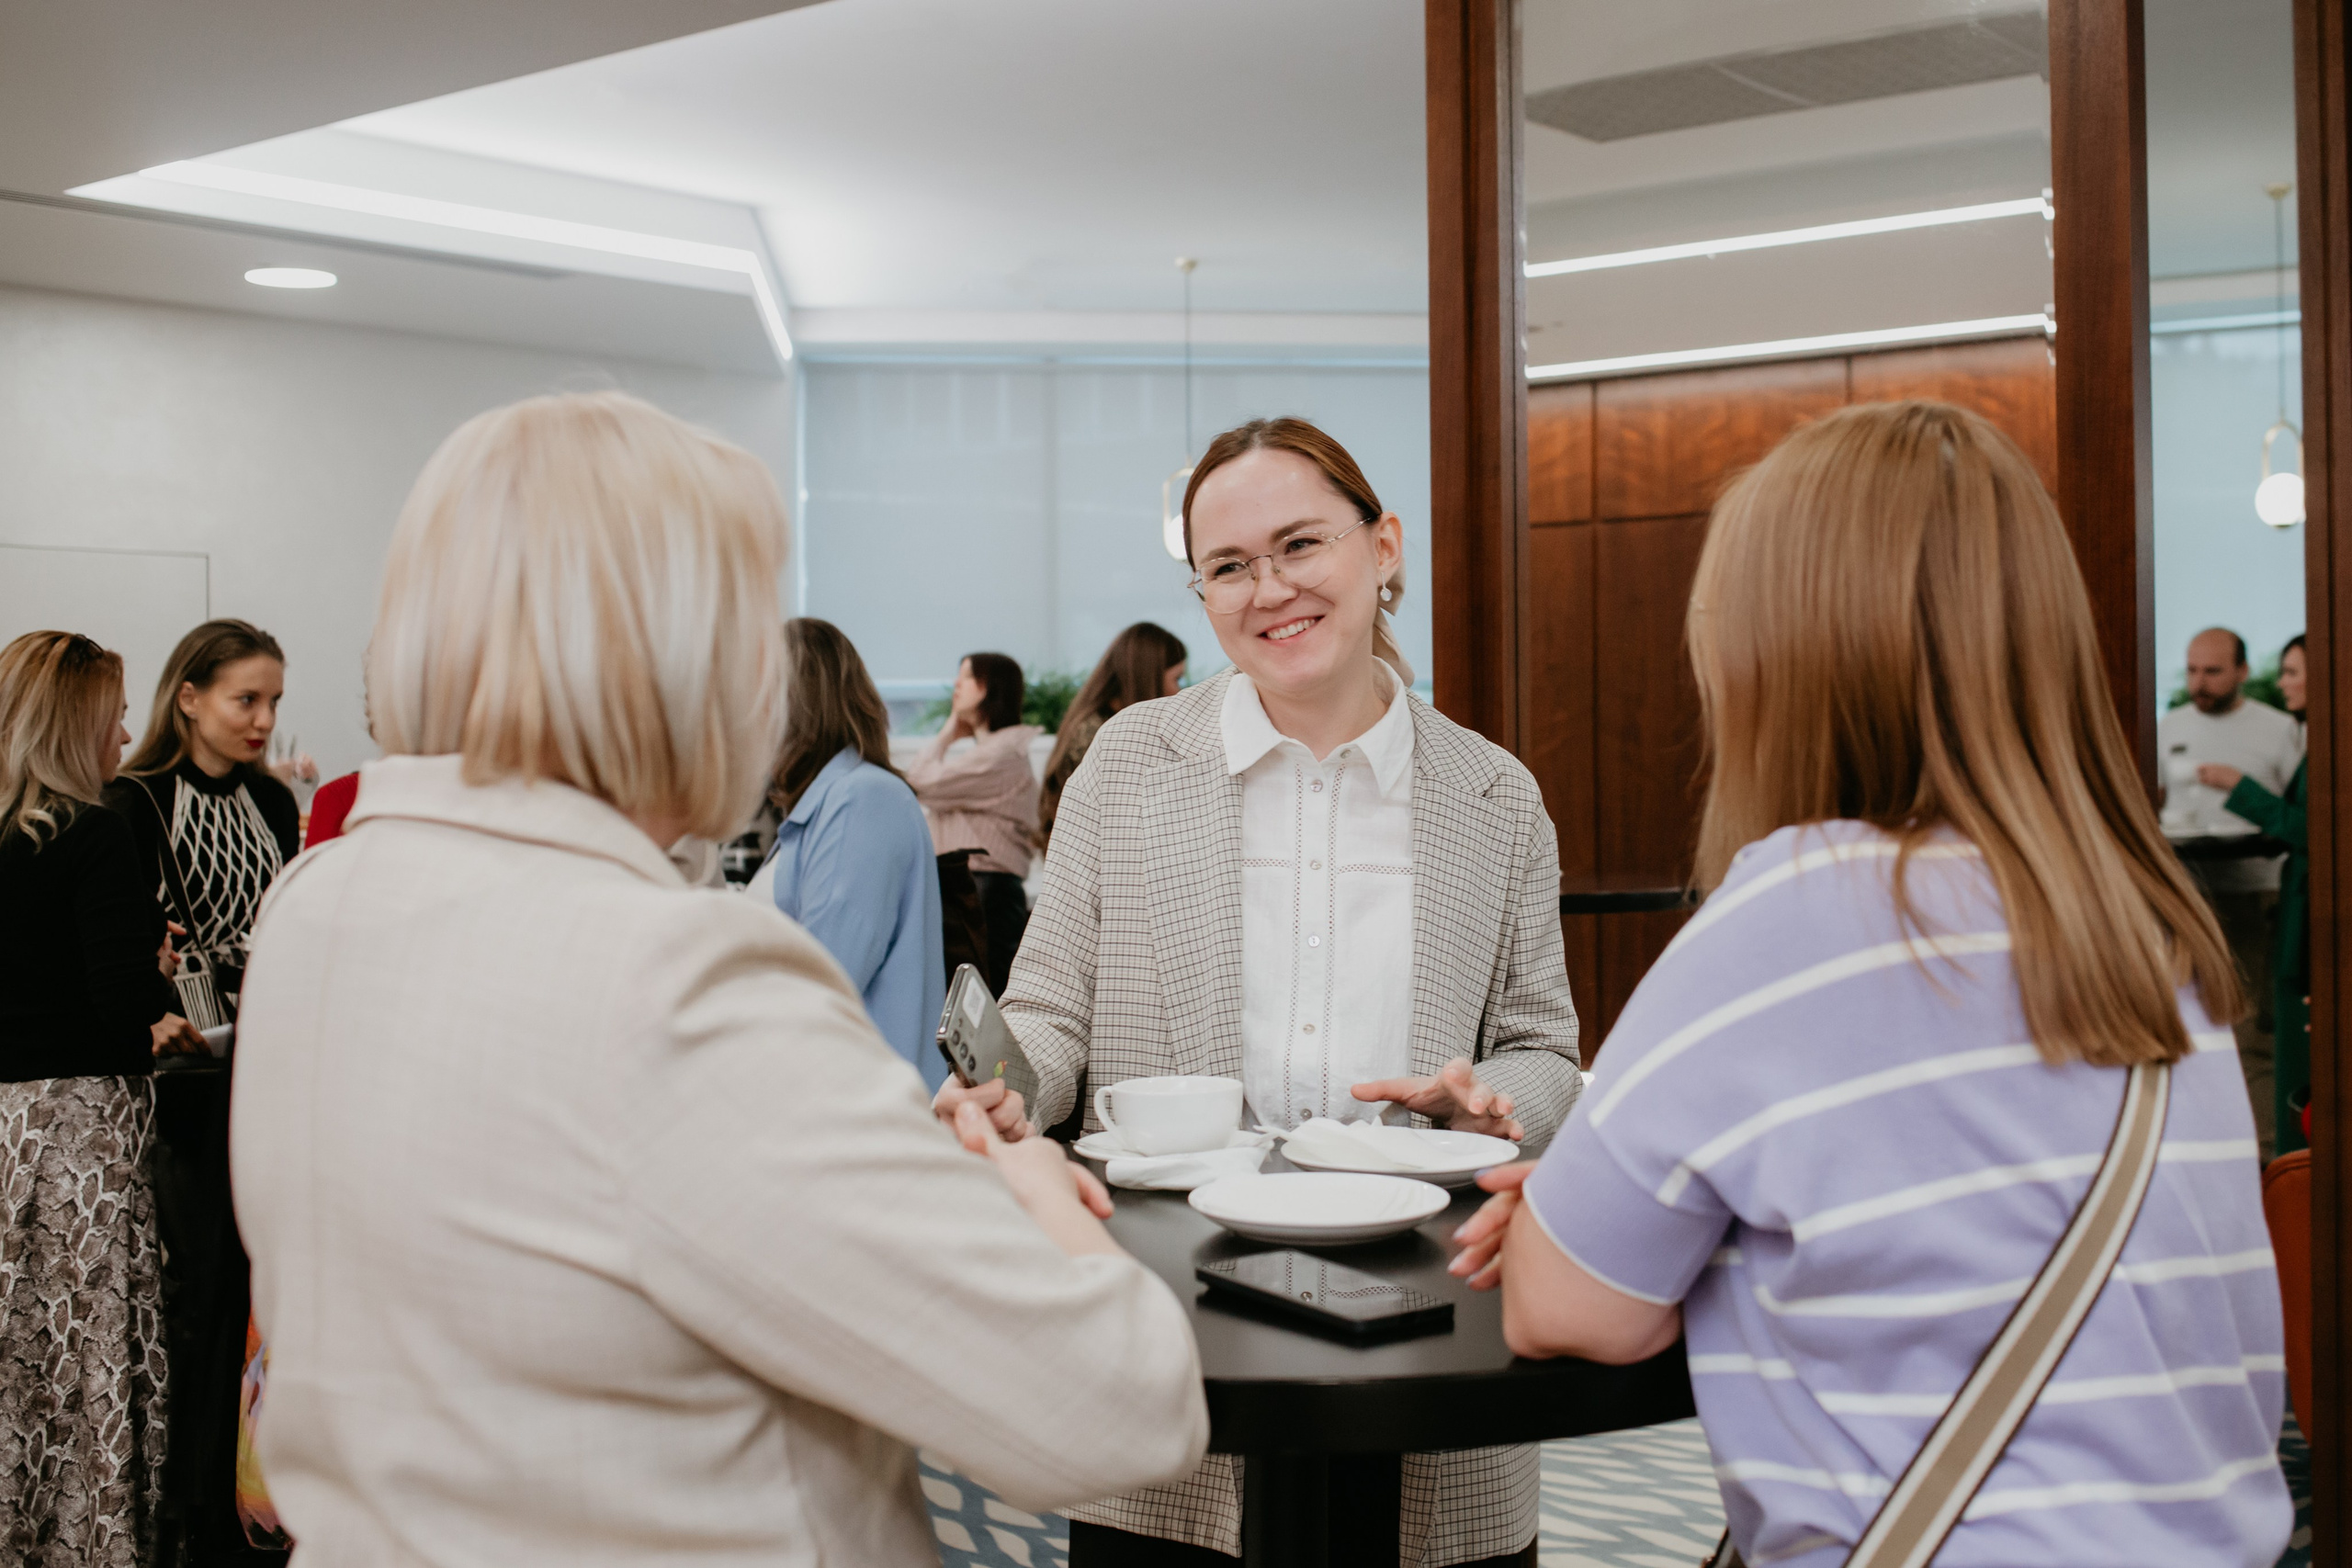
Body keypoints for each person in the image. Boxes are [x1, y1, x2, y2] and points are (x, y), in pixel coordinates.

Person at [230, 390, 1206, 1566]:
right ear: (681, 664)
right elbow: (1126, 1404)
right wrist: (1030, 1177)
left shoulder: (317, 903)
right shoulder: (675, 981)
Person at [1457, 401, 2289, 1567]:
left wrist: (1573, 1221)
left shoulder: (1801, 913)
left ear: (1781, 656)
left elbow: (1568, 1307)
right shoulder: (2145, 931)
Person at [942, 416, 1580, 1568]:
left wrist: (1489, 1101)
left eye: (1299, 544)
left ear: (1383, 547)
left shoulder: (1495, 795)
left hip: (1429, 1299)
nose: (1269, 589)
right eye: (1228, 566)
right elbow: (1051, 1016)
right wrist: (1007, 1092)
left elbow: (1544, 1048)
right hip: (1174, 1301)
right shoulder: (1128, 767)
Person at [0, 630, 198, 1567]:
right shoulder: (94, 832)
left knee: (19, 1367)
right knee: (87, 1363)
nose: (124, 734)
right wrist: (156, 971)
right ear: (75, 723)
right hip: (79, 1138)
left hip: (7, 1132)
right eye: (113, 716)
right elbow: (121, 1003)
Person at [747, 617, 946, 1089]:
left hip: (858, 1098)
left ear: (792, 703)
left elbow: (826, 975)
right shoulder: (820, 806)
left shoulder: (861, 798)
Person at [2158, 626, 2304, 1160]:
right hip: (2183, 896)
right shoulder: (2167, 727)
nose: (2200, 682)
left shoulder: (2280, 729)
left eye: (2213, 671)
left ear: (2241, 671)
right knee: (2181, 1029)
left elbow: (2303, 815)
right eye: (2192, 670)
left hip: (2255, 895)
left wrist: (2240, 789)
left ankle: (2264, 1160)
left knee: (2250, 1036)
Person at [106, 619, 301, 1014]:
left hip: (264, 1020)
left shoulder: (274, 800)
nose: (266, 720)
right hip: (167, 1030)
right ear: (189, 700)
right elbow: (106, 946)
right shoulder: (134, 801)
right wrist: (149, 1022)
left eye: (274, 702)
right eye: (247, 700)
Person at [2199, 634, 2310, 1156]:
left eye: (2293, 672)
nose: (2283, 682)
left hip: (2292, 909)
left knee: (2278, 1044)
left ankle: (2284, 1164)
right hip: (2252, 898)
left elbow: (2313, 828)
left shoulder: (2301, 738)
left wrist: (2239, 788)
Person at [906, 651, 1041, 993]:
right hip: (977, 889)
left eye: (965, 677)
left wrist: (947, 733)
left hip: (986, 891)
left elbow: (918, 782)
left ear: (988, 687)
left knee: (983, 998)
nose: (956, 685)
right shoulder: (991, 751)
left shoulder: (1002, 753)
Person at [1037, 622, 1187, 852]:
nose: (1180, 691)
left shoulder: (1093, 722)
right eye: (1177, 679)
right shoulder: (1099, 734)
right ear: (1149, 678)